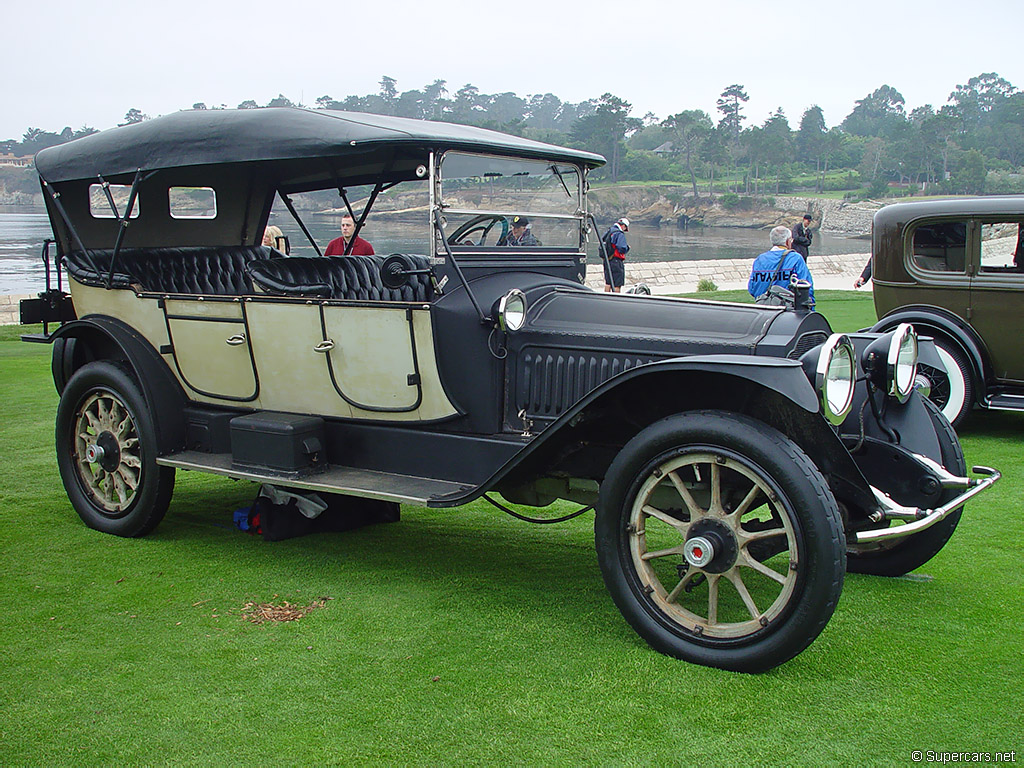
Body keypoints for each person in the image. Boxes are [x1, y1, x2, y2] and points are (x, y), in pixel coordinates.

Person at [748, 225, 815, 305]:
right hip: (787, 310)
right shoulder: (795, 258)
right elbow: (805, 287)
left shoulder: (760, 260)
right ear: (787, 242)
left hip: (764, 309)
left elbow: (752, 288)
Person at [602, 217, 630, 293]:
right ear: (623, 226)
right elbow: (622, 248)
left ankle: (605, 299)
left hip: (607, 260)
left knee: (608, 283)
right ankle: (616, 299)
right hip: (616, 261)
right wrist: (627, 248)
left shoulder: (608, 232)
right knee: (617, 284)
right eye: (625, 228)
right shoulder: (619, 234)